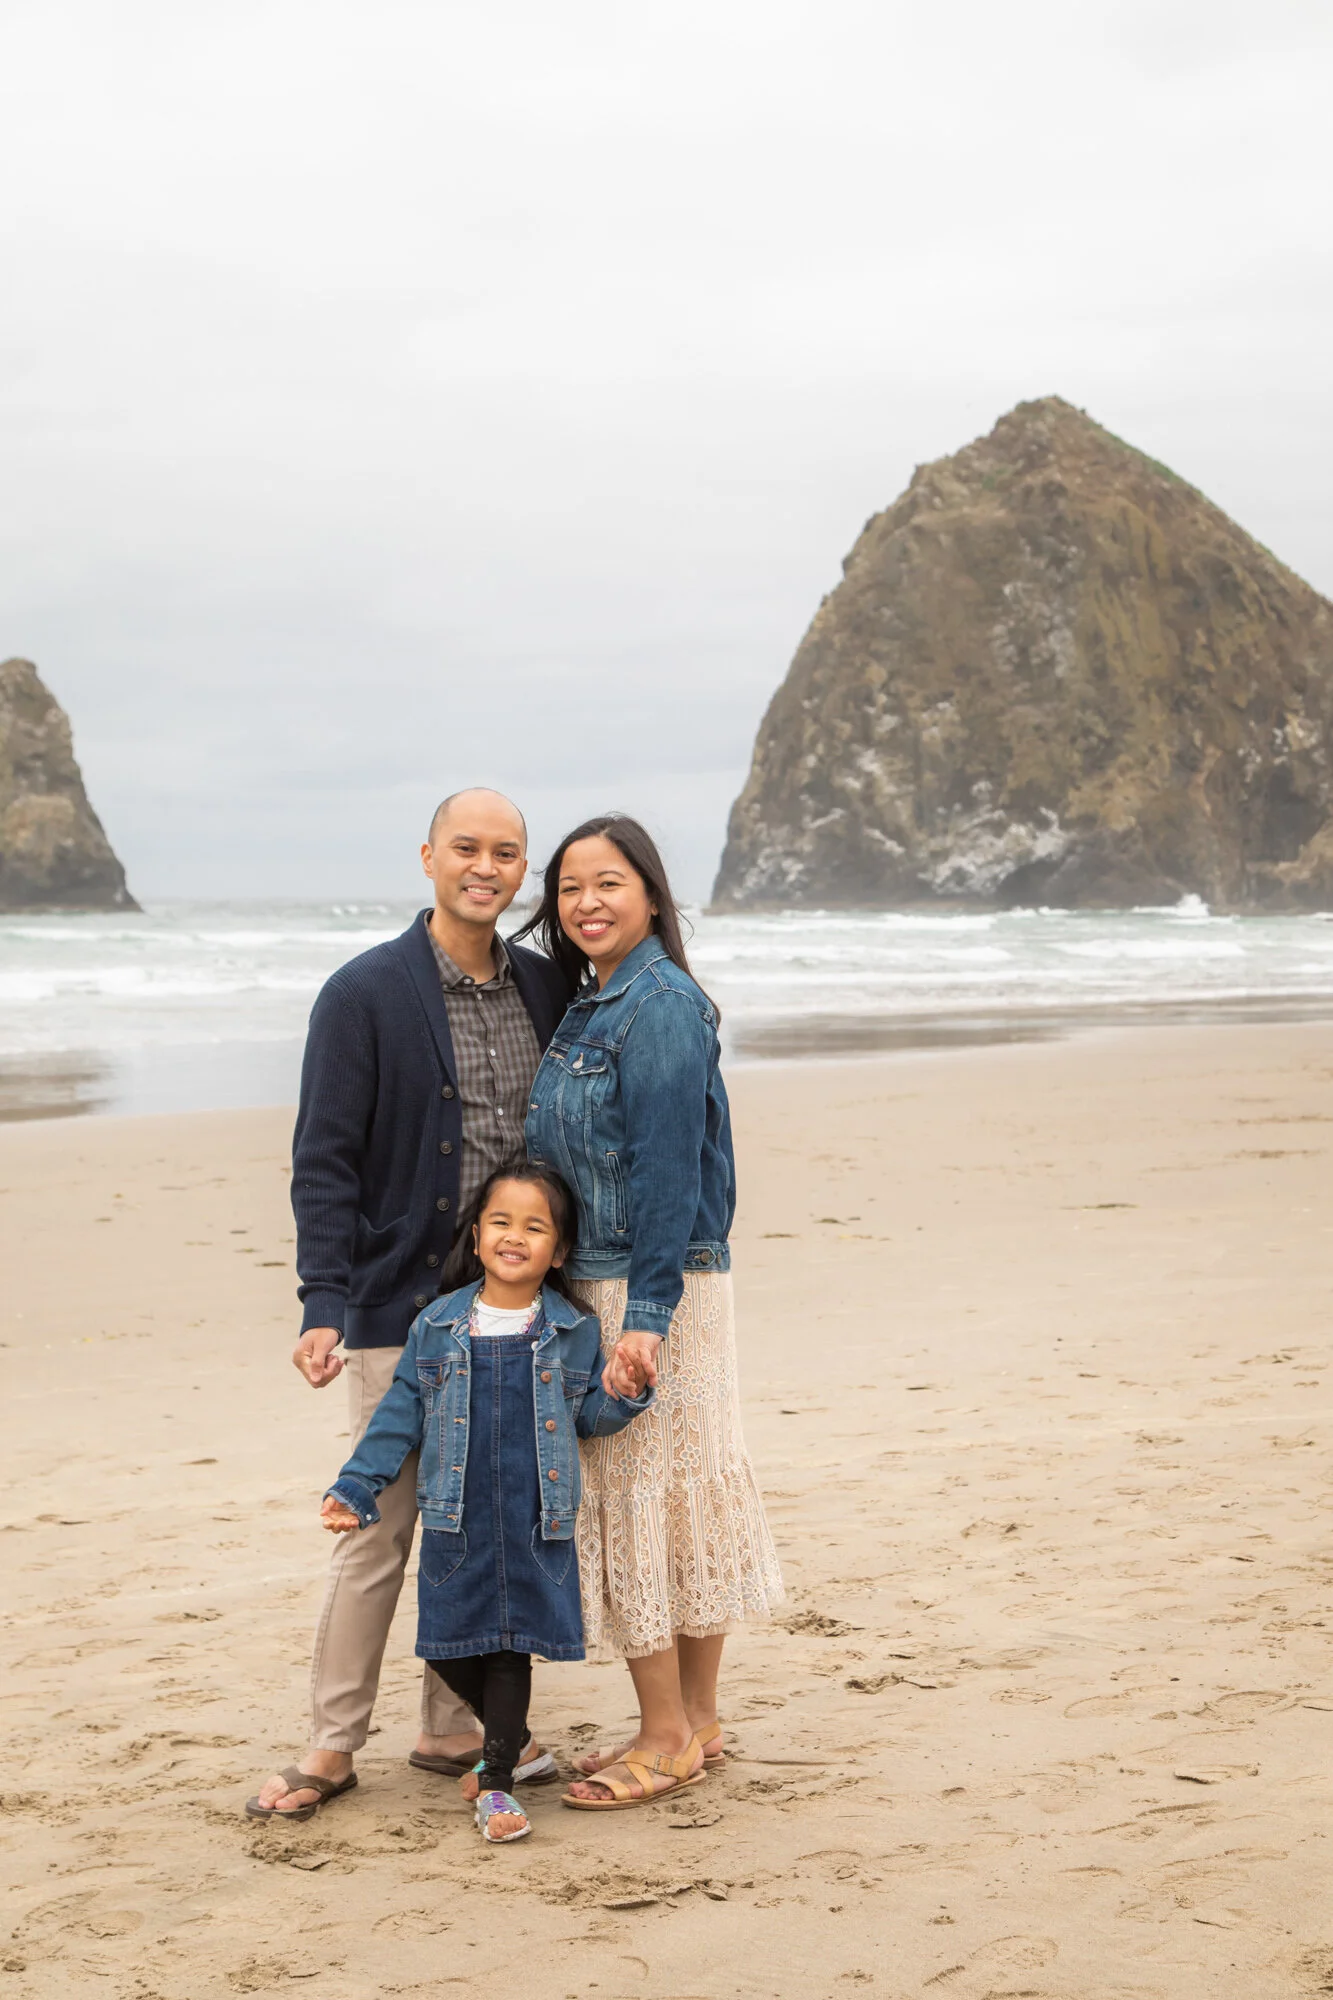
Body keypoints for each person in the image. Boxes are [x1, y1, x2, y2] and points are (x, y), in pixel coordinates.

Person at [246, 790, 572, 1822]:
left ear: (522, 869)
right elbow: (324, 1158)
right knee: (379, 1529)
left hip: (514, 1307)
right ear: (428, 855)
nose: (486, 866)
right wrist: (323, 1299)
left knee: (475, 1523)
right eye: (467, 847)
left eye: (507, 852)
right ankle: (332, 1742)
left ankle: (447, 1726)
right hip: (397, 1306)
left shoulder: (542, 984)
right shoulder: (364, 992)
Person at [519, 814, 784, 1811]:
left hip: (646, 1282)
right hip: (633, 1279)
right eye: (570, 887)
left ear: (649, 892)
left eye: (609, 882)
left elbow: (668, 1168)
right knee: (675, 1495)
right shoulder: (597, 999)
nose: (586, 901)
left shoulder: (656, 1003)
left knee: (640, 1498)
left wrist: (647, 1311)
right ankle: (699, 1721)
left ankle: (666, 1734)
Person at [320, 1167, 655, 1842]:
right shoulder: (437, 1326)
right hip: (455, 1516)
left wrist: (620, 1393)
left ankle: (498, 1783)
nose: (514, 1236)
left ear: (558, 1252)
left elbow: (587, 1418)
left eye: (536, 1227)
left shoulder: (572, 1330)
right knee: (446, 1644)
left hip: (535, 1517)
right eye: (501, 1222)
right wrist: (355, 1487)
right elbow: (398, 1418)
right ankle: (518, 1745)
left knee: (508, 1654)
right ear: (475, 1237)